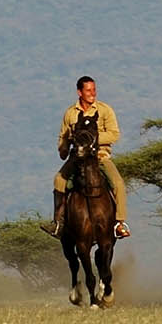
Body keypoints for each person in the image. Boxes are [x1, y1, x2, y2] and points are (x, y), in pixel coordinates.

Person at [44, 75, 131, 239]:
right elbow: (63, 136)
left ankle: (119, 223)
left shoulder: (105, 110)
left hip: (100, 157)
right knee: (59, 180)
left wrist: (93, 139)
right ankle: (58, 222)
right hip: (76, 158)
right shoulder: (70, 113)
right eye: (89, 90)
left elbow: (114, 134)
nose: (93, 93)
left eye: (94, 89)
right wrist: (63, 149)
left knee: (118, 183)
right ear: (80, 92)